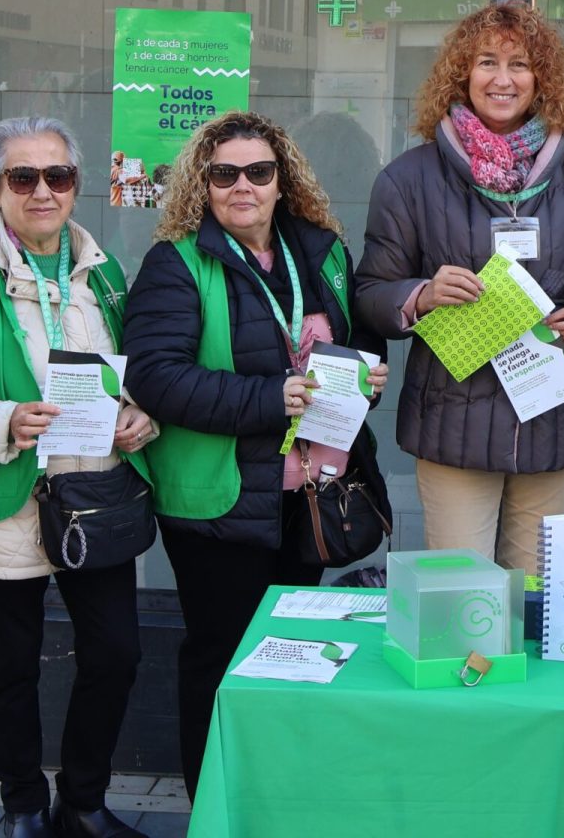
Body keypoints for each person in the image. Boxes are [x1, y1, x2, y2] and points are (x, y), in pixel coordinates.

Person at [123, 111, 388, 797]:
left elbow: (355, 346)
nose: (242, 185)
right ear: (203, 184)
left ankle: (274, 800)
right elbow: (155, 376)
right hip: (220, 499)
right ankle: (214, 804)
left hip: (310, 494)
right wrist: (272, 399)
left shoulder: (322, 249)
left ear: (282, 180)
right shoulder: (176, 263)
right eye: (224, 173)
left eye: (259, 172)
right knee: (220, 657)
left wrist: (367, 375)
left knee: (291, 658)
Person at [0, 116, 154, 838]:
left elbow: (135, 375)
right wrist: (3, 422)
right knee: (10, 668)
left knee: (116, 652)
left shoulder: (104, 271)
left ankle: (81, 801)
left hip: (94, 492)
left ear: (77, 184)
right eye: (24, 177)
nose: (44, 191)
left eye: (59, 176)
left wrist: (141, 416)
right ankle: (22, 804)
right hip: (4, 497)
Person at [356, 0, 564, 571]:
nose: (502, 79)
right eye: (486, 62)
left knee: (536, 598)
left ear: (542, 79)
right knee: (462, 597)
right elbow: (371, 292)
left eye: (520, 64)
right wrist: (421, 295)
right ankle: (469, 668)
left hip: (555, 420)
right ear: (462, 73)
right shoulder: (408, 179)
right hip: (454, 422)